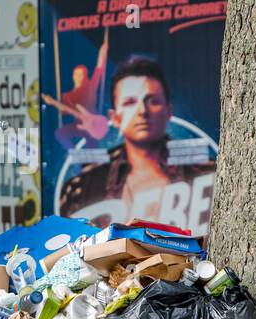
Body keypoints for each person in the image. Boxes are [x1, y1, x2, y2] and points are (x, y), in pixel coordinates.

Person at [59, 55, 211, 226]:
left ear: (168, 111)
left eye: (152, 101)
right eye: (130, 102)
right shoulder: (82, 188)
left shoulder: (207, 174)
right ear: (114, 117)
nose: (142, 111)